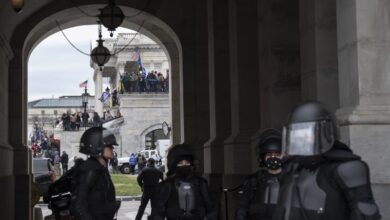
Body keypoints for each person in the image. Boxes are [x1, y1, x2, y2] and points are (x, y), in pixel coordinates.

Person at [273, 101, 381, 220]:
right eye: (297, 134)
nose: (301, 139)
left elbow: (365, 215)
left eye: (307, 133)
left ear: (325, 131)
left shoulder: (347, 169)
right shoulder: (292, 168)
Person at [151, 144, 217, 220]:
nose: (184, 165)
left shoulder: (201, 184)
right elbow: (158, 211)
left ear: (191, 164)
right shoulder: (167, 185)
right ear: (174, 165)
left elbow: (212, 208)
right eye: (180, 163)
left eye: (187, 163)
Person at [71, 127, 121, 220]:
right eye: (109, 146)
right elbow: (79, 203)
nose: (112, 148)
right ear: (97, 146)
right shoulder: (91, 169)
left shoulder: (100, 167)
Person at [235, 129, 284, 220]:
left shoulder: (290, 179)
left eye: (277, 154)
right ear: (263, 157)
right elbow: (242, 209)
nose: (273, 158)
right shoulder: (254, 181)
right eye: (269, 154)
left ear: (283, 155)